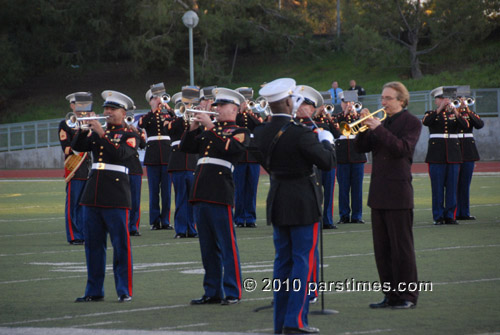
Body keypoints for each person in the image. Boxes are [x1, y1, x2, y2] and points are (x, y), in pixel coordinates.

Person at [252, 78, 336, 334]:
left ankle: (281, 322)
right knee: (302, 262)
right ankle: (296, 321)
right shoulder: (300, 133)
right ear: (289, 101)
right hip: (302, 201)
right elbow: (327, 162)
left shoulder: (261, 132)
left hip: (278, 198)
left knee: (282, 263)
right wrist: (327, 141)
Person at [354, 81, 421, 309]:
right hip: (378, 193)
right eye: (382, 98)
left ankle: (408, 296)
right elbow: (361, 148)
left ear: (401, 100)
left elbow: (402, 149)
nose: (383, 102)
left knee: (402, 249)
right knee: (382, 250)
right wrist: (363, 126)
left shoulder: (412, 122)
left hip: (399, 193)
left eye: (388, 98)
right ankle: (390, 294)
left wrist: (378, 128)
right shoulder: (380, 121)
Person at [180, 87, 249, 306]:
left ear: (234, 109)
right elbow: (187, 147)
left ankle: (233, 291)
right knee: (207, 247)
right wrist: (192, 128)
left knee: (227, 245)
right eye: (216, 105)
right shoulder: (211, 130)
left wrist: (210, 127)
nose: (216, 109)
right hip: (201, 191)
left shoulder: (239, 130)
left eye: (221, 106)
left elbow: (232, 149)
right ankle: (212, 291)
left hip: (220, 191)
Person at [71, 90, 139, 303]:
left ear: (123, 112)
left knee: (121, 245)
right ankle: (94, 290)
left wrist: (101, 134)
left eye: (112, 109)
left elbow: (120, 155)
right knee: (93, 245)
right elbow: (77, 147)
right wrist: (83, 128)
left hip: (116, 194)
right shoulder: (97, 132)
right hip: (93, 193)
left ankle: (124, 290)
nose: (107, 112)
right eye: (106, 109)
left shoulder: (130, 135)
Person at [295, 85, 338, 230]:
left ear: (312, 109)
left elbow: (338, 135)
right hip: (305, 166)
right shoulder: (290, 126)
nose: (300, 107)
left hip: (323, 161)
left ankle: (327, 219)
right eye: (298, 103)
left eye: (305, 104)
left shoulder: (322, 126)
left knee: (328, 191)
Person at [423, 86, 468, 225]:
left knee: (452, 187)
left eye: (446, 99)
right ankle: (438, 216)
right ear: (436, 101)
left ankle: (450, 215)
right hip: (437, 155)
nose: (445, 101)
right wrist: (439, 109)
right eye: (441, 99)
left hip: (453, 155)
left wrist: (456, 110)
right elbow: (426, 122)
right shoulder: (431, 113)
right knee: (437, 187)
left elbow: (465, 125)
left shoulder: (455, 113)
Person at [139, 84, 174, 230]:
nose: (158, 99)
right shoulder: (147, 116)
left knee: (166, 191)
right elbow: (142, 124)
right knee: (154, 190)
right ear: (150, 101)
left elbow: (178, 121)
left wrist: (168, 108)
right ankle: (154, 221)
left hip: (167, 155)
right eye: (154, 98)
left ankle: (165, 220)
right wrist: (154, 111)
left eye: (159, 97)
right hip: (153, 156)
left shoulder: (168, 114)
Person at [58, 92, 92, 245]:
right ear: (72, 106)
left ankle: (85, 233)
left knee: (86, 205)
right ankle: (74, 235)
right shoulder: (66, 124)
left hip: (88, 168)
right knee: (73, 204)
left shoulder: (90, 121)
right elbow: (66, 148)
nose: (81, 108)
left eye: (84, 104)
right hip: (75, 168)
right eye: (78, 104)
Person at [167, 91, 198, 238]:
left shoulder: (195, 120)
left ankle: (192, 229)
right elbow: (171, 129)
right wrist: (181, 115)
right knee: (180, 198)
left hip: (192, 162)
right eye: (183, 104)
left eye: (187, 104)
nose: (186, 107)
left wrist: (193, 118)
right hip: (178, 163)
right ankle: (180, 229)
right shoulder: (172, 120)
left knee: (192, 198)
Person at [334, 91, 367, 224]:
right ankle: (344, 215)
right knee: (343, 189)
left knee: (357, 188)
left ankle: (357, 215)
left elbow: (365, 132)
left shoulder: (359, 117)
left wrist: (358, 116)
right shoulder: (336, 117)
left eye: (349, 102)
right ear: (341, 104)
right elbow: (336, 130)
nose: (347, 104)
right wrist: (346, 114)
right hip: (342, 157)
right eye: (344, 102)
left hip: (357, 156)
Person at [234, 87, 262, 228]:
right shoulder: (235, 114)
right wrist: (240, 111)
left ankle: (250, 218)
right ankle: (239, 218)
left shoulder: (254, 113)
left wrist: (249, 113)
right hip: (239, 156)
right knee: (239, 189)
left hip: (252, 156)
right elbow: (235, 125)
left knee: (251, 189)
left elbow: (259, 126)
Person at [455, 86, 484, 220]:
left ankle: (464, 212)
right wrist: (455, 110)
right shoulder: (450, 113)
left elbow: (479, 124)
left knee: (465, 184)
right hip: (454, 150)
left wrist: (467, 109)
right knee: (454, 183)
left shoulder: (469, 114)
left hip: (468, 151)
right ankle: (454, 212)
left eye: (463, 100)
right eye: (459, 100)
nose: (461, 102)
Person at [124, 119, 147, 236]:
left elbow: (143, 145)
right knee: (122, 199)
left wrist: (136, 132)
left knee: (135, 200)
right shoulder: (116, 131)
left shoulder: (136, 131)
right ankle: (122, 225)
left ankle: (133, 227)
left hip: (134, 168)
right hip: (121, 168)